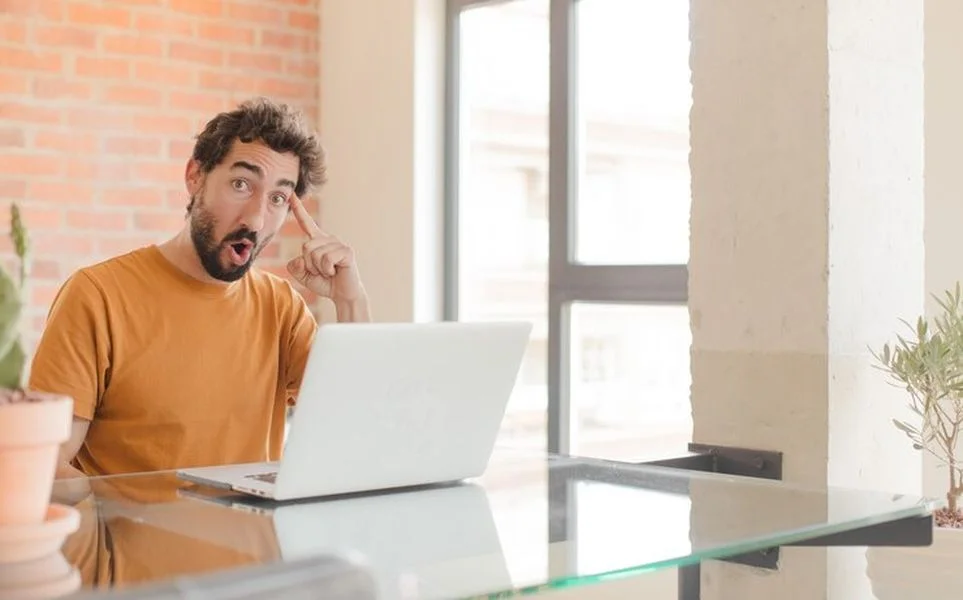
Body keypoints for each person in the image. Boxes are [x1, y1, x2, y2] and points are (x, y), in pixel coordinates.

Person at [28, 97, 371, 479]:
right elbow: (46, 465)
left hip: (250, 521)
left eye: (277, 198)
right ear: (195, 176)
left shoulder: (281, 308)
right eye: (241, 184)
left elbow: (356, 427)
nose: (256, 219)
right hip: (130, 522)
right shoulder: (97, 296)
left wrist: (349, 300)